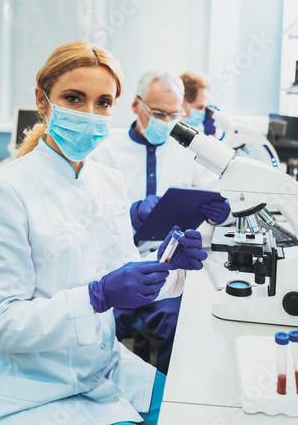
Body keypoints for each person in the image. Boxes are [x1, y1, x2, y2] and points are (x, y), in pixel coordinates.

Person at [0, 43, 208, 425]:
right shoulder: (4, 191)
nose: (90, 113)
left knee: (196, 408)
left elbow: (121, 270)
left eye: (103, 102)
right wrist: (96, 297)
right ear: (42, 100)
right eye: (73, 98)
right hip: (31, 389)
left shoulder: (108, 181)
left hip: (105, 369)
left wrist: (166, 266)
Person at [90, 70, 231, 375]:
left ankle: (165, 395)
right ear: (135, 106)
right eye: (157, 113)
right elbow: (89, 217)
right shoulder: (104, 151)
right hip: (118, 260)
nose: (166, 121)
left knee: (179, 322)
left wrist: (224, 211)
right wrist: (131, 213)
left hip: (170, 262)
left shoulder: (187, 149)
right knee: (117, 320)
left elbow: (216, 190)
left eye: (173, 113)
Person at [180, 70, 217, 135]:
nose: (203, 112)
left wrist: (212, 134)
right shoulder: (164, 130)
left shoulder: (199, 129)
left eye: (205, 107)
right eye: (200, 107)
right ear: (182, 100)